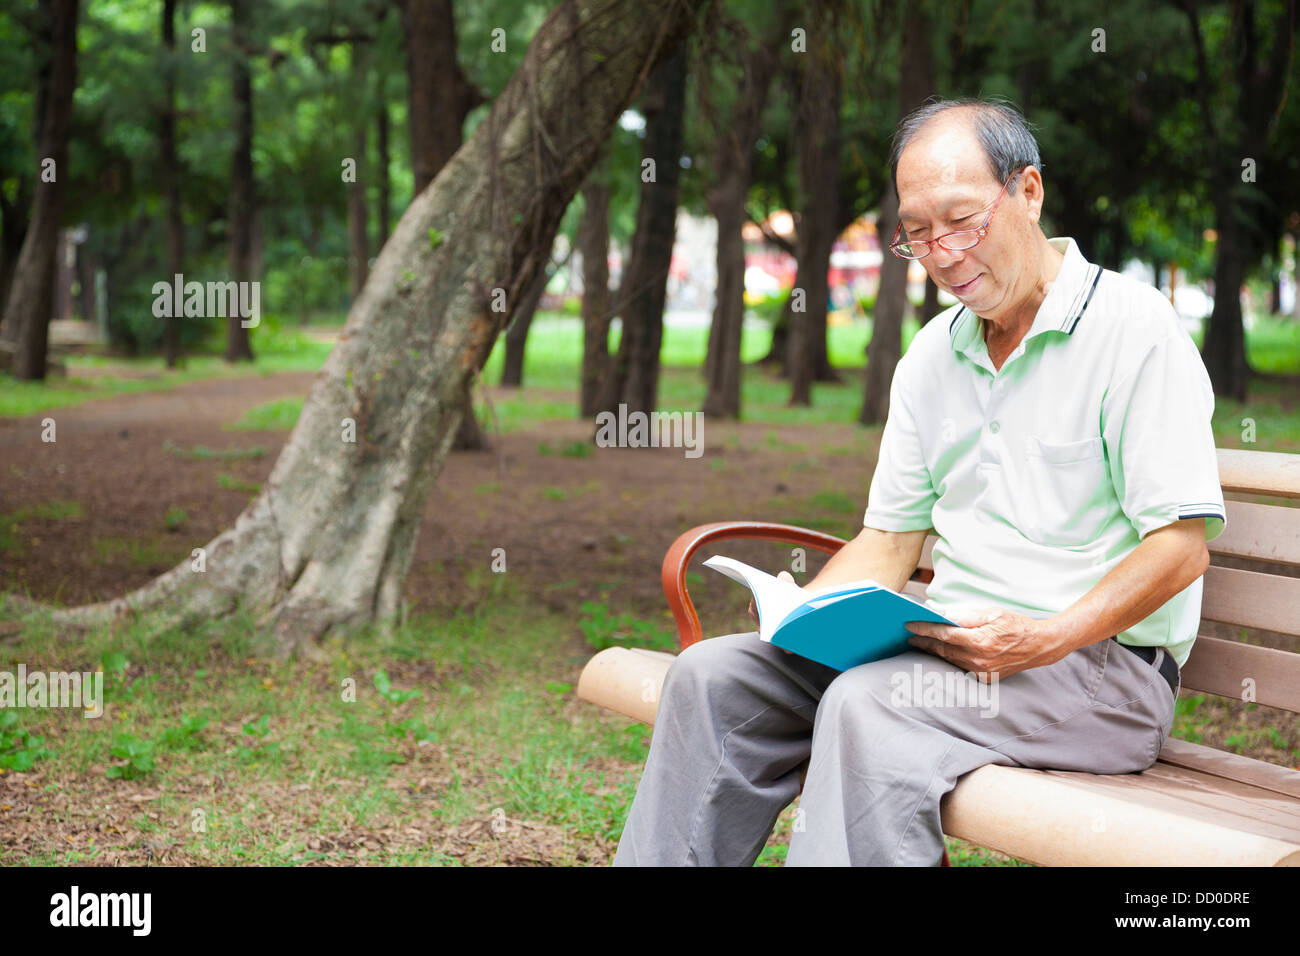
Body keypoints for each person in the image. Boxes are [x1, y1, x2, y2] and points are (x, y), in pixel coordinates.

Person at [612, 97, 1226, 866]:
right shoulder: (935, 353)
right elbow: (891, 538)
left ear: (1028, 192)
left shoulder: (1134, 330)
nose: (941, 252)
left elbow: (1180, 549)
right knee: (713, 679)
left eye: (962, 221)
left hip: (1098, 675)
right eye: (916, 232)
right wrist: (808, 616)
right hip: (946, 649)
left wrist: (1043, 638)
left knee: (871, 707)